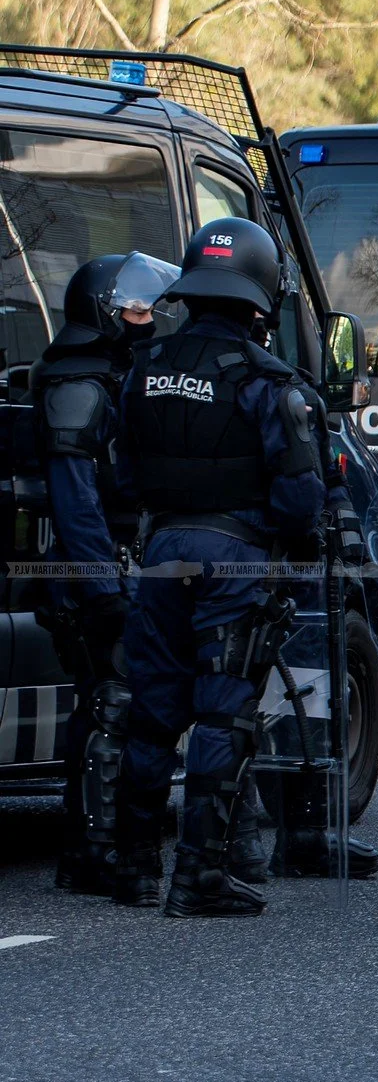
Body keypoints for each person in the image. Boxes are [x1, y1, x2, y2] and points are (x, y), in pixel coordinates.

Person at [114, 218, 336, 915]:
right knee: (221, 716)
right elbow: (301, 495)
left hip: (161, 551)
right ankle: (197, 876)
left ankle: (134, 868)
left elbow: (118, 475)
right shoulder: (269, 381)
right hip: (234, 557)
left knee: (151, 713)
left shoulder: (144, 369)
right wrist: (299, 548)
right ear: (260, 296)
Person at [34, 254, 169, 893]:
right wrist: (101, 589)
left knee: (125, 705)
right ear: (104, 314)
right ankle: (92, 852)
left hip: (120, 564)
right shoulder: (78, 384)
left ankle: (103, 846)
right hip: (92, 572)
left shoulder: (110, 375)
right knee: (109, 706)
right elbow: (76, 500)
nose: (148, 321)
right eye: (137, 310)